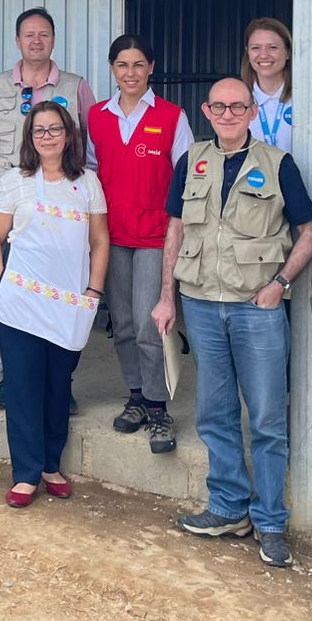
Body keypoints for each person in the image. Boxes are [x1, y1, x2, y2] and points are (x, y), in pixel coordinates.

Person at [152, 78, 312, 569]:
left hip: (256, 307)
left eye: (238, 107)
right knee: (214, 412)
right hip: (202, 304)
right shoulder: (191, 160)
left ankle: (270, 521)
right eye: (219, 107)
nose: (228, 114)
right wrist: (167, 296)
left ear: (251, 112)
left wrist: (281, 284)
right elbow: (175, 229)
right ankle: (228, 508)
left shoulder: (277, 163)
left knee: (266, 418)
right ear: (206, 111)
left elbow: (309, 231)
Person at [0, 102, 110, 508]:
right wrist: (1, 283)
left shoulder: (87, 183)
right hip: (21, 303)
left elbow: (100, 241)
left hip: (68, 304)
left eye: (55, 129)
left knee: (58, 386)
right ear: (30, 138)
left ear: (69, 135)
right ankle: (25, 473)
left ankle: (51, 465)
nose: (48, 137)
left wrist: (94, 292)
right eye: (39, 130)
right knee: (22, 387)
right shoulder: (15, 181)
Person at [0, 7, 95, 409]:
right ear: (17, 41)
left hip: (61, 204)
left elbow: (86, 141)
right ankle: (10, 379)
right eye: (28, 34)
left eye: (43, 34)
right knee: (13, 292)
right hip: (12, 201)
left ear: (53, 40)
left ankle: (61, 383)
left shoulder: (75, 86)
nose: (36, 41)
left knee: (61, 294)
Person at [86, 33, 193, 450]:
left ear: (151, 68)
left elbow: (185, 178)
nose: (130, 73)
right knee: (124, 324)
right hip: (112, 237)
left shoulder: (171, 116)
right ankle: (135, 396)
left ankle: (157, 406)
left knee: (151, 325)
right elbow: (89, 175)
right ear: (112, 69)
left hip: (154, 236)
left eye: (138, 64)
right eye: (122, 65)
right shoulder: (97, 116)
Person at [240, 18, 312, 154]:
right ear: (248, 52)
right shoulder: (237, 98)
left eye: (272, 47)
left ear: (288, 52)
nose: (263, 55)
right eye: (255, 48)